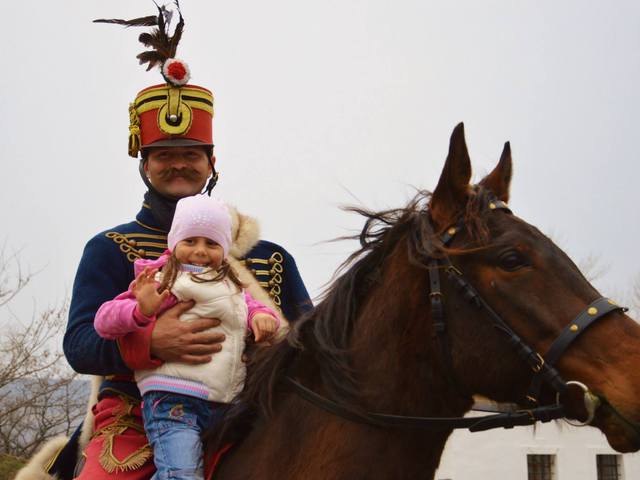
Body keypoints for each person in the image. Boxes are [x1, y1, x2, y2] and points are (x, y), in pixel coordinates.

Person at [15, 5, 312, 480]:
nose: (178, 165)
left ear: (211, 162)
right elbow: (79, 344)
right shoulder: (110, 247)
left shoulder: (270, 259)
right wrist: (148, 342)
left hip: (257, 418)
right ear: (144, 163)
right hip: (139, 414)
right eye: (164, 155)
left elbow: (309, 342)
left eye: (190, 155)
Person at [94, 195, 280, 479]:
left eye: (212, 243)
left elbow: (254, 309)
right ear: (174, 243)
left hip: (227, 402)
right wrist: (141, 312)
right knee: (181, 475)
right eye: (190, 241)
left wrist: (262, 319)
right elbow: (103, 321)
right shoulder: (162, 279)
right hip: (173, 399)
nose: (201, 251)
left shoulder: (234, 285)